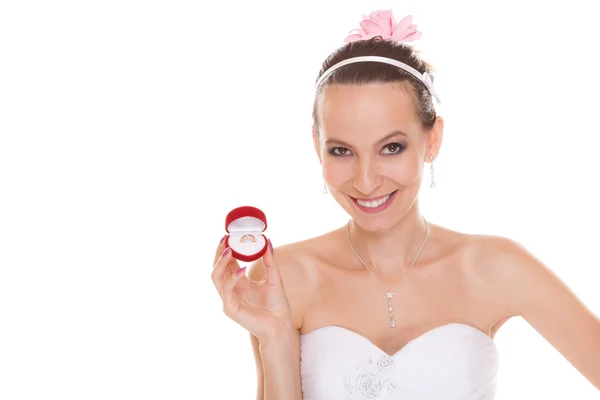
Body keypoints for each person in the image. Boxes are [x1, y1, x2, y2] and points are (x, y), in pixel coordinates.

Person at [211, 9, 600, 400]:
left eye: (391, 148)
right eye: (342, 150)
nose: (365, 181)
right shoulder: (284, 275)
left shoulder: (494, 267)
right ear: (317, 147)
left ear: (432, 140)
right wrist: (275, 337)